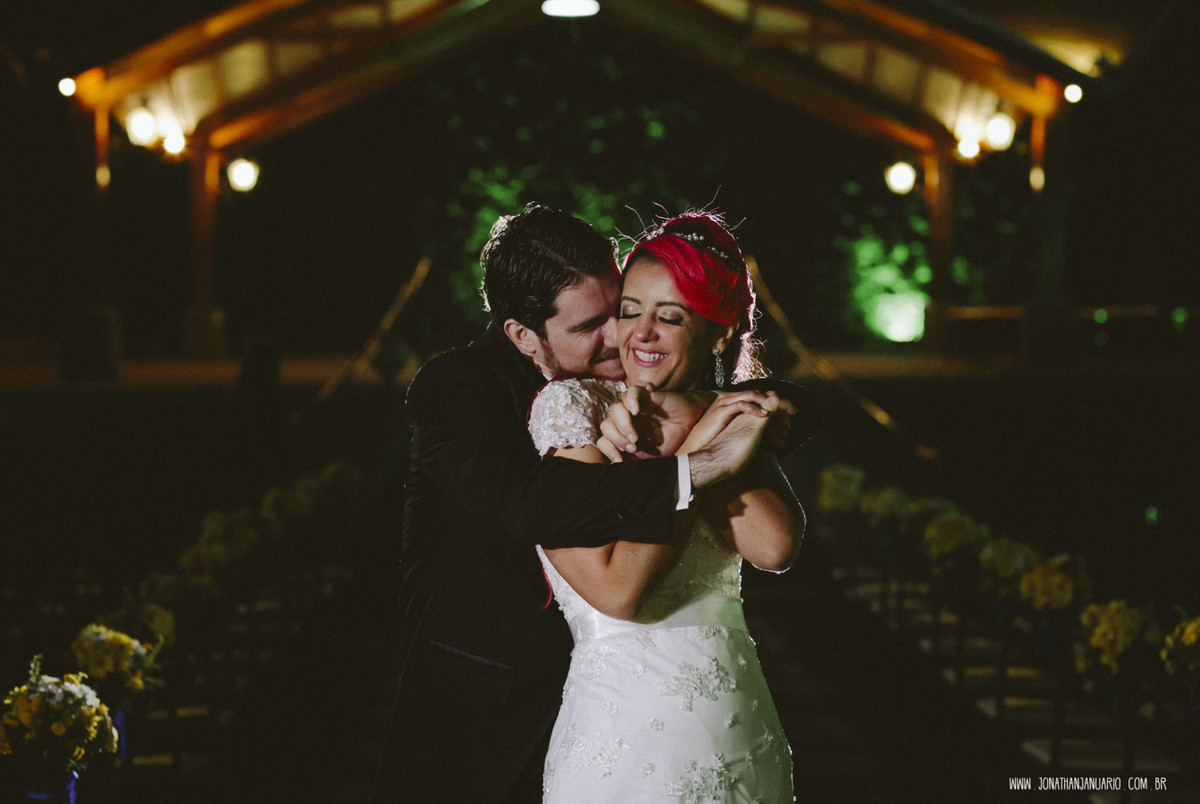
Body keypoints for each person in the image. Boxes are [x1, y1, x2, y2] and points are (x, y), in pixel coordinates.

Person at [371, 203, 805, 802]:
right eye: (589, 326)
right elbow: (531, 505)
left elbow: (774, 522)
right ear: (523, 336)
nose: (620, 337)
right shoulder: (460, 392)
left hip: (664, 703)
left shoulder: (644, 388)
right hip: (488, 709)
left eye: (618, 308)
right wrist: (697, 459)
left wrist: (718, 404)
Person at [528, 211, 799, 801]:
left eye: (669, 317)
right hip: (621, 737)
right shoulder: (574, 409)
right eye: (630, 311)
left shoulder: (726, 412)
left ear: (718, 334)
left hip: (737, 728)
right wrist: (701, 451)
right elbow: (619, 593)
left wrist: (705, 417)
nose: (642, 334)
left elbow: (774, 546)